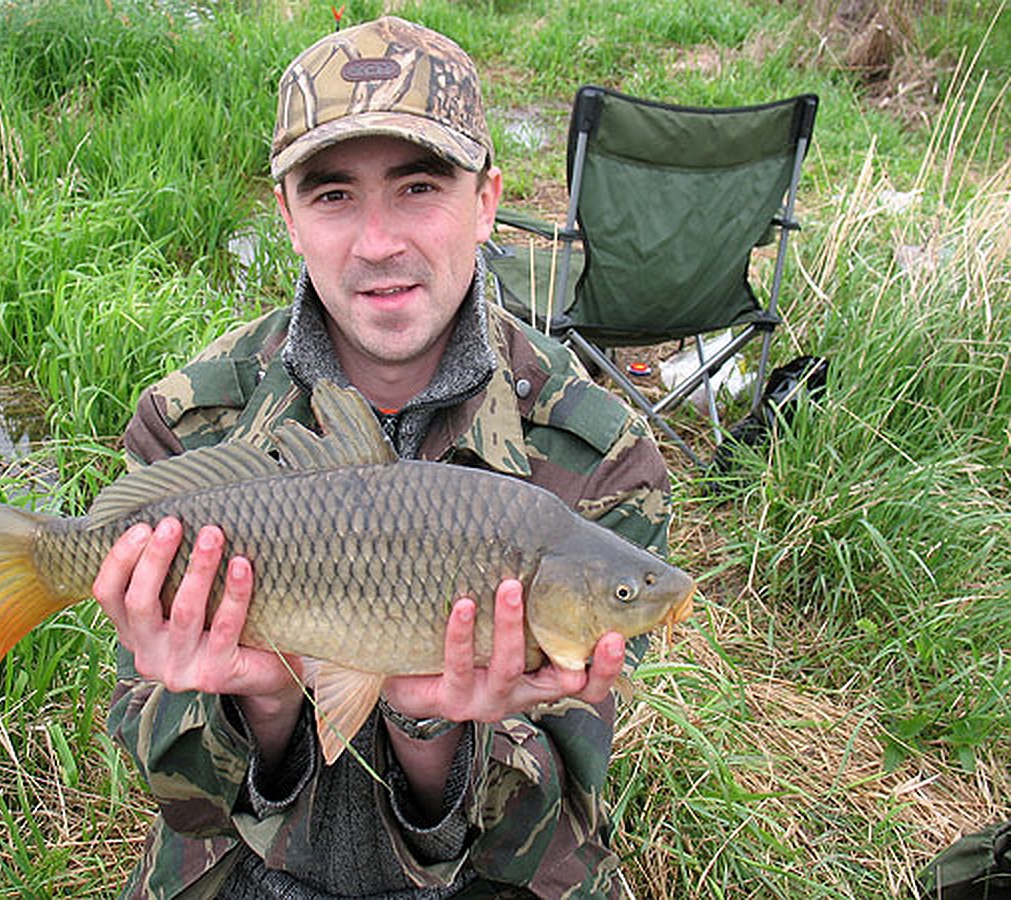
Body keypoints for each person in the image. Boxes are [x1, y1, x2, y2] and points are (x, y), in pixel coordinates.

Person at [92, 16, 672, 900]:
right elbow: (177, 799)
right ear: (286, 215)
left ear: (487, 201)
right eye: (332, 195)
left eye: (418, 187)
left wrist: (425, 728)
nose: (378, 243)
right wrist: (269, 702)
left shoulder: (598, 453)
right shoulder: (192, 421)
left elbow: (563, 812)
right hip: (245, 863)